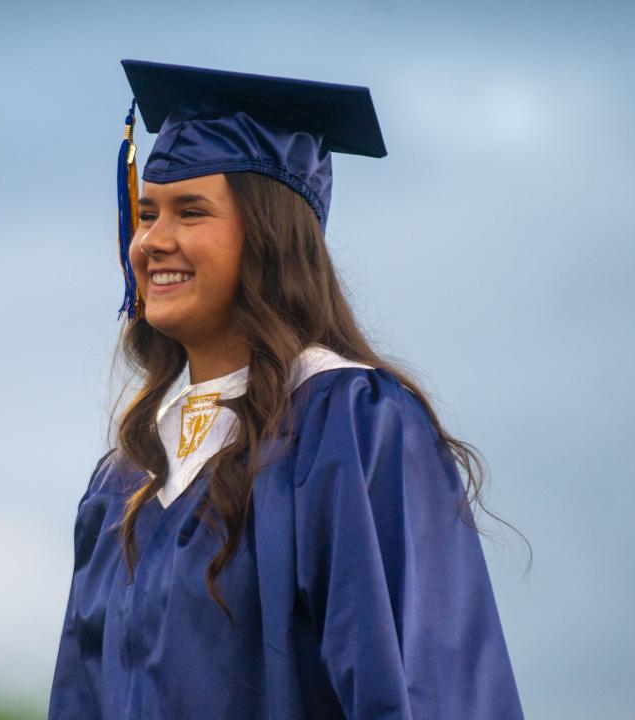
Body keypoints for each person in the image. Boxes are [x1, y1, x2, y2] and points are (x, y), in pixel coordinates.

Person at [48, 58, 526, 720]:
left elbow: (425, 689)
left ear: (271, 238)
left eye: (191, 211)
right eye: (147, 214)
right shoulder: (124, 480)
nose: (151, 242)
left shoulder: (349, 427)